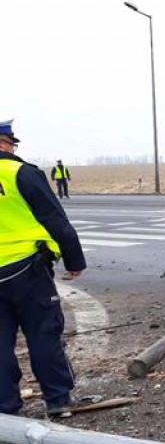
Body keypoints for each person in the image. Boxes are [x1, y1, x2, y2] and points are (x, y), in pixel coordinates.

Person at [0, 119, 87, 418]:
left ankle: (6, 409)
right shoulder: (21, 173)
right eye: (11, 144)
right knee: (43, 333)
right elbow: (57, 222)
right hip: (27, 271)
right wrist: (74, 261)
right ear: (1, 143)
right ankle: (58, 399)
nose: (12, 149)